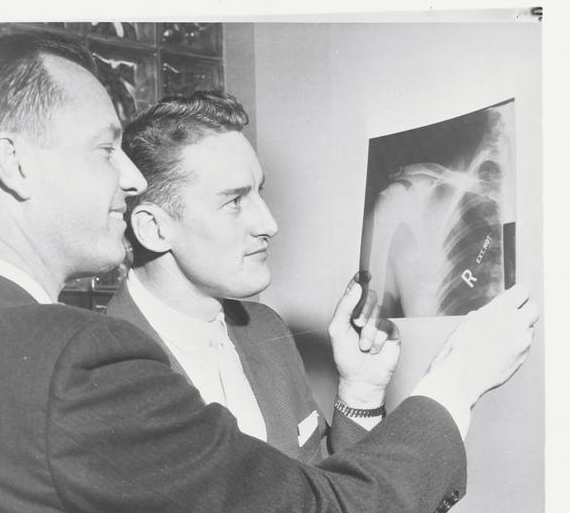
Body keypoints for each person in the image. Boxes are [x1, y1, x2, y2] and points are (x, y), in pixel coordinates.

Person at [0, 31, 540, 513]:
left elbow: (305, 488)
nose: (126, 178)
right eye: (105, 149)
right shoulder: (92, 362)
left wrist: (360, 395)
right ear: (14, 163)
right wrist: (457, 380)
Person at [107, 91, 386, 462]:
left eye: (259, 192)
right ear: (154, 229)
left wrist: (361, 391)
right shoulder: (100, 369)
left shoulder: (266, 328)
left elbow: (329, 499)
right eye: (234, 201)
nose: (269, 224)